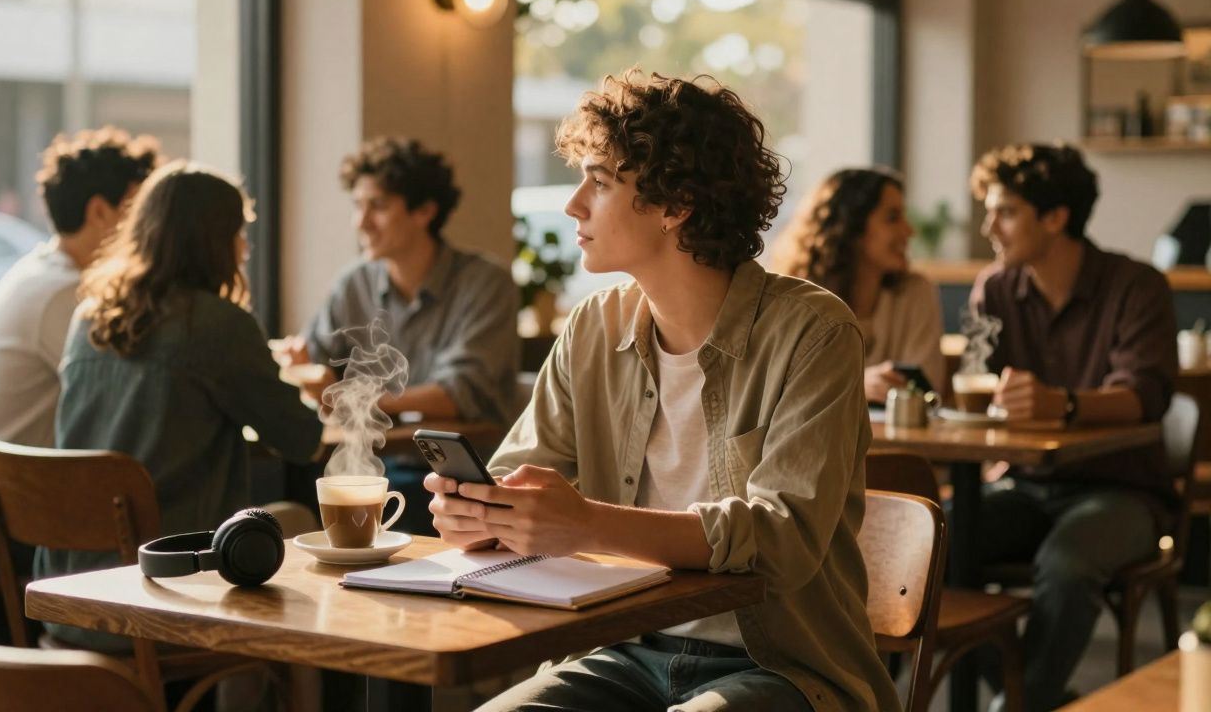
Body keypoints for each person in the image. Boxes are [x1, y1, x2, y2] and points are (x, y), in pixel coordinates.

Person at [426, 70, 900, 711]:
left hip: (782, 667)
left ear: (676, 205)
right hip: (617, 649)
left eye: (599, 182)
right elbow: (519, 474)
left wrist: (586, 523)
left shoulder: (814, 332)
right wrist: (481, 513)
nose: (574, 206)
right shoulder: (595, 327)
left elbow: (781, 539)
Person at [39, 161, 324, 651]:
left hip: (68, 591)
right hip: (166, 593)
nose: (244, 248)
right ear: (217, 241)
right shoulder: (218, 325)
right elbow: (302, 439)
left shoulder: (89, 318)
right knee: (297, 525)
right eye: (239, 234)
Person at [968, 142, 1178, 712]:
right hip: (1026, 482)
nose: (989, 226)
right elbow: (977, 390)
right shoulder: (994, 290)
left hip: (1123, 489)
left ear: (1056, 217)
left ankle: (1016, 704)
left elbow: (1146, 396)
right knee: (927, 550)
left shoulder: (1137, 286)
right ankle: (1032, 693)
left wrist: (1060, 404)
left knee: (1067, 564)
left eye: (1006, 211)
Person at [0, 127, 161, 577]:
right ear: (101, 212)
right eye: (138, 210)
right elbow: (131, 398)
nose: (149, 230)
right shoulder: (66, 295)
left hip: (9, 514)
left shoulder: (41, 274)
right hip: (12, 533)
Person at [283, 136, 519, 534]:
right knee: (308, 492)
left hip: (464, 480)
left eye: (377, 206)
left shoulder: (485, 283)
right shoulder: (354, 283)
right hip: (379, 466)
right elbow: (318, 365)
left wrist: (354, 396)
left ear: (424, 210)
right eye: (357, 206)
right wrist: (303, 368)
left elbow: (459, 392)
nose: (361, 222)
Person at [769, 168, 945, 402]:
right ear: (850, 228)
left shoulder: (916, 293)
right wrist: (857, 384)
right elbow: (781, 389)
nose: (909, 230)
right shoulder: (799, 299)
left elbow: (925, 388)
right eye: (893, 217)